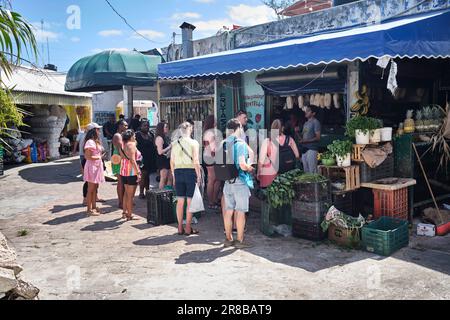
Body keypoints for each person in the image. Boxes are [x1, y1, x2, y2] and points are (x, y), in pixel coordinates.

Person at [222, 119, 255, 249]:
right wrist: (249, 167)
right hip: (239, 182)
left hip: (227, 182)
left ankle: (228, 238)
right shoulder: (239, 144)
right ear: (238, 128)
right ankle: (240, 240)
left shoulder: (223, 143)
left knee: (228, 210)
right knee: (240, 211)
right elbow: (241, 164)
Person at [171, 122, 202, 236]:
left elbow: (172, 161)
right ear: (191, 130)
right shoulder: (194, 143)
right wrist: (198, 175)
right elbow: (196, 161)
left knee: (180, 201)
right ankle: (188, 227)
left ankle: (179, 227)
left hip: (178, 172)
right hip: (190, 172)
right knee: (190, 201)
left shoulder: (174, 143)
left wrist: (173, 175)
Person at [258, 119, 300, 188]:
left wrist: (259, 172)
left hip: (272, 173)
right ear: (282, 128)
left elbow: (261, 160)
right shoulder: (289, 139)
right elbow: (297, 155)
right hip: (288, 173)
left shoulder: (268, 141)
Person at [83, 124, 106, 216]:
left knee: (95, 188)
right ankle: (89, 209)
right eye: (97, 129)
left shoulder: (95, 141)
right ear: (94, 130)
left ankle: (94, 207)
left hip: (97, 166)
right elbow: (88, 156)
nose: (99, 131)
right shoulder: (90, 142)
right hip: (92, 167)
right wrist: (99, 157)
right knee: (91, 189)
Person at [119, 130, 142, 221]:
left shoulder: (123, 145)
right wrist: (138, 172)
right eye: (134, 135)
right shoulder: (131, 145)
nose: (135, 136)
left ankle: (124, 212)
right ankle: (130, 214)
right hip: (131, 172)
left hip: (124, 171)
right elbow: (132, 160)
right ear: (131, 136)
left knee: (126, 193)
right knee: (130, 195)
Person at [203, 115, 222, 210]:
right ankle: (211, 201)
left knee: (216, 179)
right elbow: (211, 147)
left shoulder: (209, 132)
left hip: (211, 156)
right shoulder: (210, 133)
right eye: (214, 120)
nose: (216, 122)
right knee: (212, 179)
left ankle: (213, 200)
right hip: (211, 157)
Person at [136, 119, 157, 198]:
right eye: (145, 125)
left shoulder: (151, 134)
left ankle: (147, 190)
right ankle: (141, 193)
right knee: (143, 175)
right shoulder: (137, 135)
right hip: (141, 159)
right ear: (141, 126)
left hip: (150, 158)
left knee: (147, 175)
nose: (146, 127)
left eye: (148, 125)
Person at [299, 105, 322, 174]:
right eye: (306, 110)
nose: (306, 112)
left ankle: (314, 185)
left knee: (312, 171)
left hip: (312, 149)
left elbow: (318, 138)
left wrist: (305, 141)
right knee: (306, 171)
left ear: (313, 113)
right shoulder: (305, 123)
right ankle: (307, 185)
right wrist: (297, 132)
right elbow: (303, 137)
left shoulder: (316, 122)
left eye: (308, 110)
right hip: (304, 149)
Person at [112, 120, 128, 209]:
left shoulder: (123, 135)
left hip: (123, 158)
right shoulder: (117, 135)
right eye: (125, 125)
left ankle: (125, 200)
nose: (126, 127)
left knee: (125, 181)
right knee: (121, 181)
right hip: (118, 159)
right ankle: (121, 202)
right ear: (120, 126)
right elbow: (120, 149)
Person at [155, 122, 173, 189]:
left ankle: (168, 193)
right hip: (162, 160)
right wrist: (170, 147)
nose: (167, 128)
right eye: (165, 127)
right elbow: (160, 152)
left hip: (168, 159)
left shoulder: (166, 137)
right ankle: (161, 194)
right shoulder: (159, 138)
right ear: (161, 128)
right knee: (163, 178)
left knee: (170, 178)